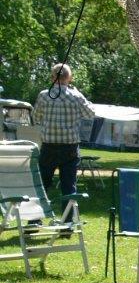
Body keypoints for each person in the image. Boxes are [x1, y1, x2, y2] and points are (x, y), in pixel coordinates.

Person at [31, 63, 94, 202]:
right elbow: (90, 114)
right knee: (69, 187)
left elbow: (35, 117)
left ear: (53, 77)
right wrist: (80, 95)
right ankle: (69, 214)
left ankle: (36, 212)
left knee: (42, 185)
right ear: (69, 78)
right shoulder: (76, 96)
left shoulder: (44, 95)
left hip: (49, 147)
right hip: (70, 148)